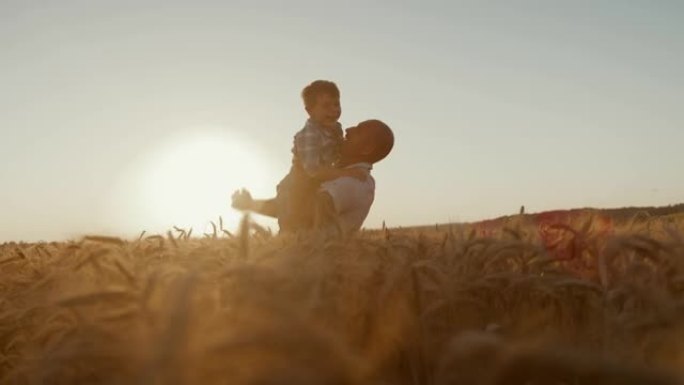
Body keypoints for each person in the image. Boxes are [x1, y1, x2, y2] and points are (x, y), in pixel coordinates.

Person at [232, 119, 394, 235]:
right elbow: (292, 207)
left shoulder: (353, 182)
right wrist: (251, 205)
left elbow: (303, 213)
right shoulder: (343, 177)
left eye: (357, 131)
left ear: (367, 148)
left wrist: (299, 174)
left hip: (310, 265)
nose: (348, 130)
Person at [277, 80, 367, 231]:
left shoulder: (335, 129)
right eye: (326, 106)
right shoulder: (309, 134)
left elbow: (338, 155)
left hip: (316, 183)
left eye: (336, 104)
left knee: (315, 225)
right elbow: (313, 171)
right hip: (296, 188)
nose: (334, 110)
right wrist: (346, 173)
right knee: (294, 228)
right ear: (309, 111)